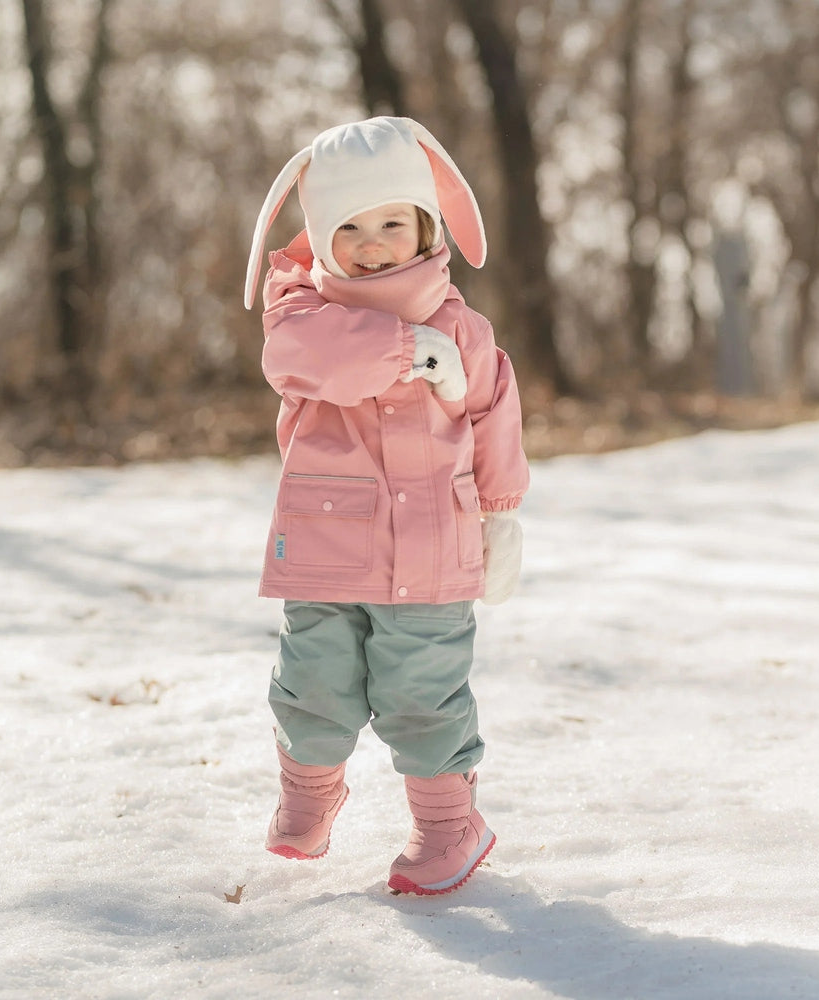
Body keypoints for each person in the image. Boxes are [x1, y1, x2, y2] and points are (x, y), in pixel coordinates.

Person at [244, 116, 529, 895]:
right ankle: (309, 795)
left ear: (426, 226)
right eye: (351, 227)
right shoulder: (298, 313)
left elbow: (491, 418)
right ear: (322, 238)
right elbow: (302, 362)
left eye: (392, 223)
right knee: (314, 682)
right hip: (327, 547)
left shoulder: (462, 330)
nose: (373, 243)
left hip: (434, 546)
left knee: (423, 695)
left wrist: (500, 515)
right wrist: (405, 351)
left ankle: (447, 826)